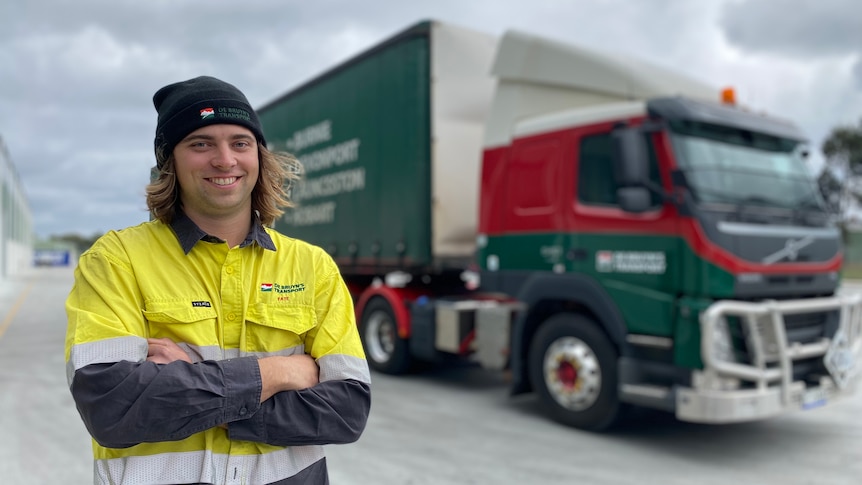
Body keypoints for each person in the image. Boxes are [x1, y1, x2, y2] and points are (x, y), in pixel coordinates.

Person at [64, 75, 371, 484]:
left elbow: (345, 412)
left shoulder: (312, 266)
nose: (225, 160)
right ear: (169, 162)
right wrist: (278, 373)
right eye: (200, 143)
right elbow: (113, 408)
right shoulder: (116, 261)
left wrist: (193, 382)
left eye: (240, 143)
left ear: (259, 157)